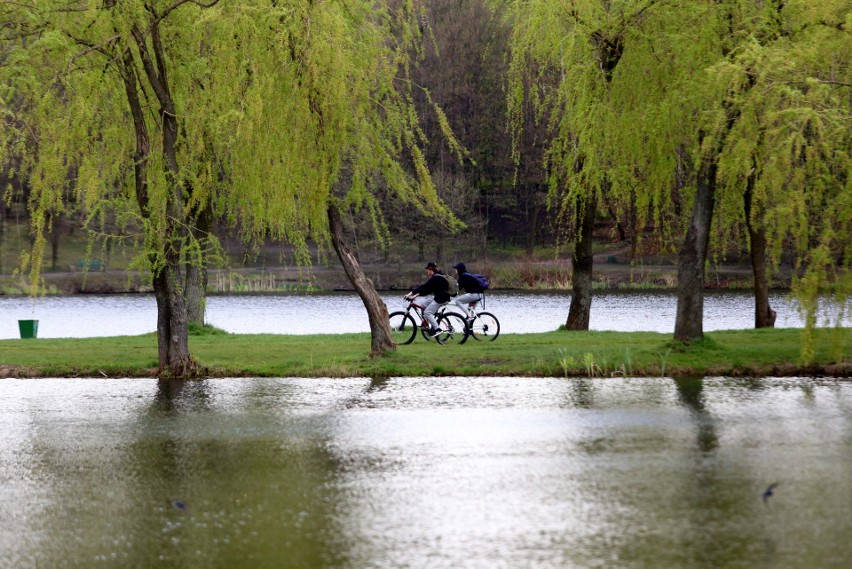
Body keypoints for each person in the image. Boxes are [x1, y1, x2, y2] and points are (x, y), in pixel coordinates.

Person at [404, 262, 450, 337]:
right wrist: (416, 295)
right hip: (440, 297)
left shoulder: (435, 278)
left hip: (441, 299)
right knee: (423, 305)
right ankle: (426, 323)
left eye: (427, 270)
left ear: (431, 269)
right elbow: (427, 290)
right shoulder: (438, 276)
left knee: (427, 313)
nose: (426, 271)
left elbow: (424, 287)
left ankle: (437, 329)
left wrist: (410, 294)